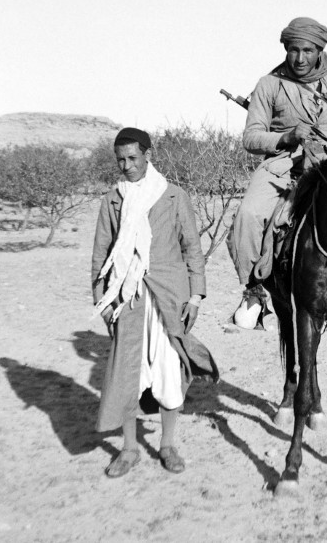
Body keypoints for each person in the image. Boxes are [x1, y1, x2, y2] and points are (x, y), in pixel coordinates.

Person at [227, 17, 327, 330]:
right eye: (293, 50)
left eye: (308, 51)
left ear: (320, 50)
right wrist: (286, 137)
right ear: (286, 49)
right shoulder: (269, 84)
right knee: (248, 214)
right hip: (283, 164)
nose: (300, 58)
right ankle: (254, 291)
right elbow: (251, 137)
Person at [92, 127, 218, 478]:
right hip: (127, 299)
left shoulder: (173, 196)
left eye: (133, 157)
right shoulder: (112, 200)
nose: (126, 165)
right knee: (127, 375)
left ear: (148, 155)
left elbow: (192, 247)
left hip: (169, 296)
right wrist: (102, 301)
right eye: (120, 159)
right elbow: (101, 252)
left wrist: (195, 296)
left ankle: (167, 444)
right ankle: (129, 449)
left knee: (168, 373)